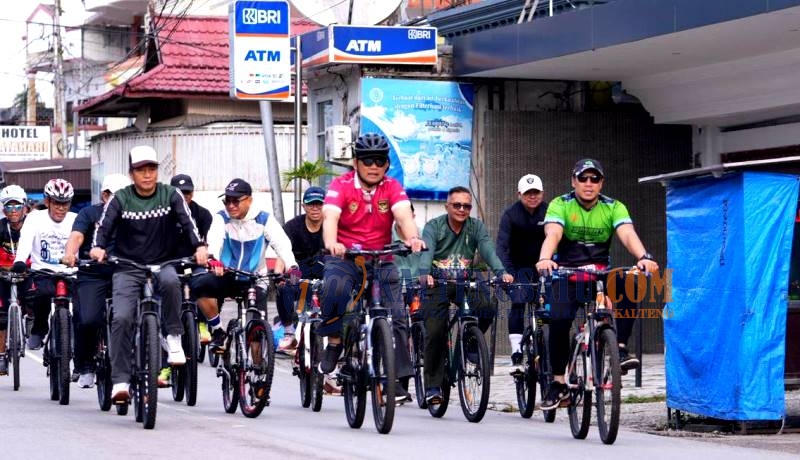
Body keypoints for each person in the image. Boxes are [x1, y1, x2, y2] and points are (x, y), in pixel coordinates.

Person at [535, 158, 659, 410]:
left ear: (601, 183)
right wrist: (545, 258)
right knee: (558, 319)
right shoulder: (561, 204)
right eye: (583, 178)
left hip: (600, 275)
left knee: (631, 283)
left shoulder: (613, 207)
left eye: (594, 179)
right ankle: (558, 382)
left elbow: (627, 233)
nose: (588, 184)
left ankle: (620, 348)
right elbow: (554, 233)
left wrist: (643, 257)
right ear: (574, 181)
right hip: (567, 275)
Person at [89, 145, 208, 403]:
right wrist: (97, 247)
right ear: (132, 173)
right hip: (127, 266)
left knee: (172, 282)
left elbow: (189, 224)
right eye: (141, 170)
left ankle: (173, 337)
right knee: (121, 318)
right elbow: (103, 228)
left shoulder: (171, 195)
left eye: (151, 169)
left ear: (157, 171)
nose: (147, 175)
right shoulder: (121, 198)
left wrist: (199, 247)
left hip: (163, 262)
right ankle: (120, 381)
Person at [319, 132, 424, 403]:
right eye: (367, 161)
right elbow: (330, 216)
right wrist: (332, 243)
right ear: (356, 162)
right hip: (346, 259)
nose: (373, 166)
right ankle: (334, 342)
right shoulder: (340, 186)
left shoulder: (392, 187)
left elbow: (403, 216)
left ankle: (397, 381)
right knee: (333, 289)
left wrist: (411, 237)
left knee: (399, 317)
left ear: (386, 164)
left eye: (379, 161)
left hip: (381, 259)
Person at [418, 186, 514, 405]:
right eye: (457, 205)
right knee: (435, 330)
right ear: (447, 206)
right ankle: (433, 386)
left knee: (487, 306)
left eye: (467, 206)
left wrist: (502, 273)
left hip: (465, 283)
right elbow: (427, 252)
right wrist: (424, 274)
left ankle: (471, 343)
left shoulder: (475, 227)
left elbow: (488, 249)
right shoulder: (434, 227)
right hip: (437, 283)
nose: (462, 209)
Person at [196, 178, 300, 354]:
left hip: (255, 279)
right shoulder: (221, 218)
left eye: (235, 201)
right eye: (227, 200)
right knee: (199, 286)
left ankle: (258, 375)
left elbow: (282, 243)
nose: (230, 205)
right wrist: (213, 258)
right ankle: (219, 331)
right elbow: (215, 238)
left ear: (249, 200)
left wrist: (292, 266)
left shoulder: (264, 219)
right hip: (226, 275)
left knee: (257, 333)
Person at [62, 174, 130, 388]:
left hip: (124, 273)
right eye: (113, 196)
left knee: (140, 314)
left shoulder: (132, 217)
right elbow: (77, 236)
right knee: (88, 319)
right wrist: (70, 254)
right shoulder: (88, 213)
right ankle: (86, 364)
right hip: (92, 273)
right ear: (104, 195)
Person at [156, 174, 213, 386]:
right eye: (179, 193)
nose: (184, 197)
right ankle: (164, 366)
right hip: (169, 265)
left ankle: (204, 325)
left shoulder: (204, 215)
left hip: (194, 263)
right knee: (163, 309)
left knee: (205, 283)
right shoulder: (162, 214)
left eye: (187, 193)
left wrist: (205, 254)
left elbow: (207, 243)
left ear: (193, 193)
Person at [12, 179, 77, 351]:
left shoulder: (75, 220)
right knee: (40, 296)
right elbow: (25, 241)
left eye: (65, 203)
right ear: (47, 201)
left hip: (71, 273)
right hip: (43, 271)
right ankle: (39, 330)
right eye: (56, 203)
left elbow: (84, 244)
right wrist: (19, 261)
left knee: (84, 305)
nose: (61, 208)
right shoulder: (34, 218)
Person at [495, 174, 548, 369]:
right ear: (519, 194)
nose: (532, 196)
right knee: (518, 301)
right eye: (528, 193)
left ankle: (542, 339)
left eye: (536, 192)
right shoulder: (510, 215)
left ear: (542, 193)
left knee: (546, 307)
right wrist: (506, 273)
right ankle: (516, 350)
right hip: (516, 268)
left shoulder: (550, 212)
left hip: (542, 267)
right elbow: (501, 247)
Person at [274, 186, 325, 352]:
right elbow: (282, 253)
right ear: (304, 206)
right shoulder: (293, 226)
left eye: (319, 204)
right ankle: (289, 333)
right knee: (283, 288)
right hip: (297, 272)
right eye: (311, 204)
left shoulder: (332, 226)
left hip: (324, 272)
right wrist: (278, 275)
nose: (315, 208)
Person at [0, 185, 28, 375]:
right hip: (2, 273)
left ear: (25, 207)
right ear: (4, 210)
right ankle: (1, 355)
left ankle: (32, 324)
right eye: (9, 207)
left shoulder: (32, 225)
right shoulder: (1, 227)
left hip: (27, 271)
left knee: (35, 298)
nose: (13, 211)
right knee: (0, 314)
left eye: (17, 206)